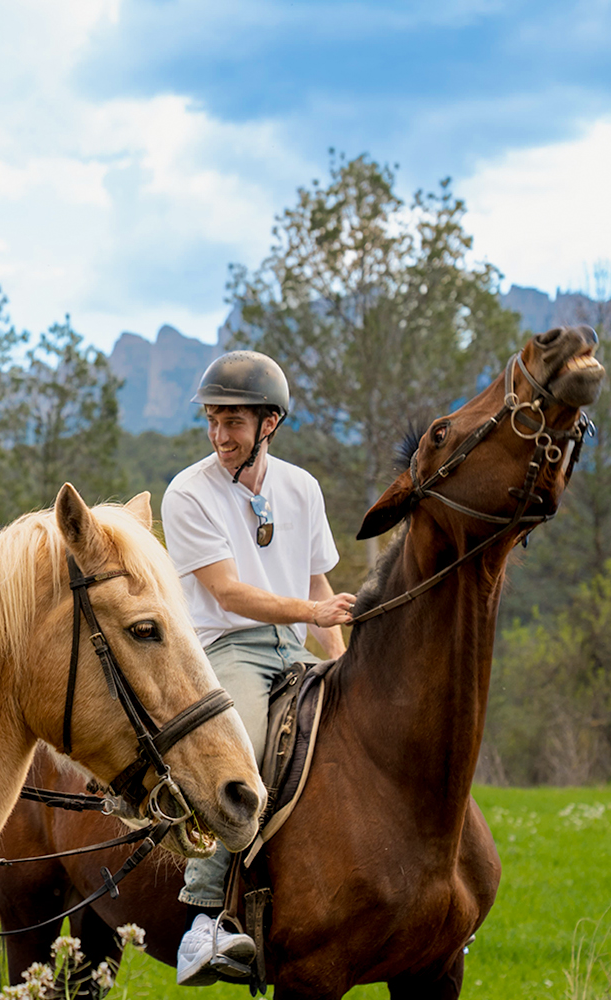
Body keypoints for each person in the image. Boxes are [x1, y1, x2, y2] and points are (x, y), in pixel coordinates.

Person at [160, 350, 357, 987]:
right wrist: (314, 611)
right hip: (225, 650)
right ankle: (204, 918)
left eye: (235, 423)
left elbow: (316, 575)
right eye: (214, 422)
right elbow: (228, 594)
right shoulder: (188, 492)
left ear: (268, 423)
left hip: (295, 646)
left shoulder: (301, 488)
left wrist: (343, 657)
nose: (221, 436)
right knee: (235, 755)